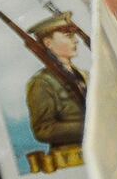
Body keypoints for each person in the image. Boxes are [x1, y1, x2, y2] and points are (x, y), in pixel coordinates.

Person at [25, 12, 88, 151]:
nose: (76, 40)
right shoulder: (42, 83)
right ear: (48, 43)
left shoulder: (85, 76)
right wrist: (89, 126)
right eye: (68, 36)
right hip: (70, 155)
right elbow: (43, 129)